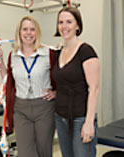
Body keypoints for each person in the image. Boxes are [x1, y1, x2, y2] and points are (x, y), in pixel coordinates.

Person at [5, 16, 56, 157]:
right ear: (19, 32)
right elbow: (9, 80)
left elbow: (61, 78)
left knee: (44, 151)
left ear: (37, 32)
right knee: (24, 153)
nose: (28, 33)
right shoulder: (13, 55)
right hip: (21, 108)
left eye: (32, 29)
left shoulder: (48, 54)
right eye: (25, 29)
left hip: (44, 107)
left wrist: (56, 92)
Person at [52, 7, 100, 157]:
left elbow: (94, 88)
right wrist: (55, 93)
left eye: (69, 22)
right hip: (60, 116)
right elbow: (64, 81)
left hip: (81, 118)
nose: (64, 26)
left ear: (77, 25)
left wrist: (89, 122)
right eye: (61, 22)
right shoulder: (59, 52)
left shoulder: (86, 51)